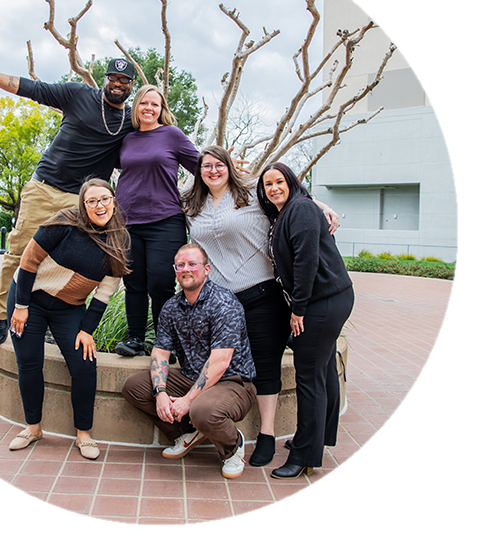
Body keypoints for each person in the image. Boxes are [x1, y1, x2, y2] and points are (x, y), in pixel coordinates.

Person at [0, 47, 136, 345]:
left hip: (81, 202)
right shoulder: (77, 95)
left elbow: (153, 144)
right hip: (45, 188)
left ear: (131, 85)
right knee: (20, 252)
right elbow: (32, 88)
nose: (117, 83)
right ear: (105, 79)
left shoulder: (130, 121)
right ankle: (0, 314)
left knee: (69, 262)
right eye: (113, 76)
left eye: (124, 80)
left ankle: (50, 318)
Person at [181, 145, 340, 468]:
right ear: (198, 171)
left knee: (266, 366)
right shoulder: (190, 203)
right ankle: (222, 429)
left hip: (261, 294)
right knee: (223, 366)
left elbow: (287, 193)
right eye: (206, 166)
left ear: (229, 167)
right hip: (221, 301)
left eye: (219, 165)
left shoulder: (251, 194)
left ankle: (266, 434)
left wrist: (320, 204)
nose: (213, 170)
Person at [6, 178, 130, 460]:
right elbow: (28, 261)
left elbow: (104, 293)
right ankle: (33, 428)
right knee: (29, 363)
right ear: (83, 205)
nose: (99, 206)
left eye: (104, 199)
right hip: (29, 298)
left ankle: (83, 434)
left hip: (69, 308)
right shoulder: (64, 222)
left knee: (85, 366)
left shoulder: (120, 239)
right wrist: (22, 305)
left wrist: (87, 329)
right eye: (92, 201)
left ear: (113, 201)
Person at [121, 243, 257, 479]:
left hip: (232, 382)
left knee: (202, 409)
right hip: (189, 378)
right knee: (134, 388)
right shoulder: (172, 307)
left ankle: (233, 446)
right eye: (180, 265)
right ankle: (187, 434)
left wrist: (187, 400)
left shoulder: (224, 303)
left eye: (193, 264)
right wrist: (160, 391)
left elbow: (220, 362)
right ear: (175, 271)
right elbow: (161, 353)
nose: (186, 269)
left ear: (207, 269)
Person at [256, 162, 354, 479]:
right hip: (323, 298)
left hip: (322, 301)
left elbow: (307, 260)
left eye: (279, 181)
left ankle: (304, 455)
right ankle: (316, 439)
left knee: (308, 375)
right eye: (267, 184)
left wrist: (298, 309)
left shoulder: (300, 209)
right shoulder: (286, 212)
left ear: (291, 182)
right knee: (322, 369)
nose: (273, 188)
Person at [113, 84, 199, 357]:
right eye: (144, 103)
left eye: (155, 104)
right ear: (135, 107)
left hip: (165, 219)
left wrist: (237, 179)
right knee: (134, 283)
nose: (149, 108)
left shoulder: (171, 135)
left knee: (161, 283)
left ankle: (166, 343)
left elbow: (202, 167)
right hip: (128, 222)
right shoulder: (126, 138)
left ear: (162, 110)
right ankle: (136, 339)